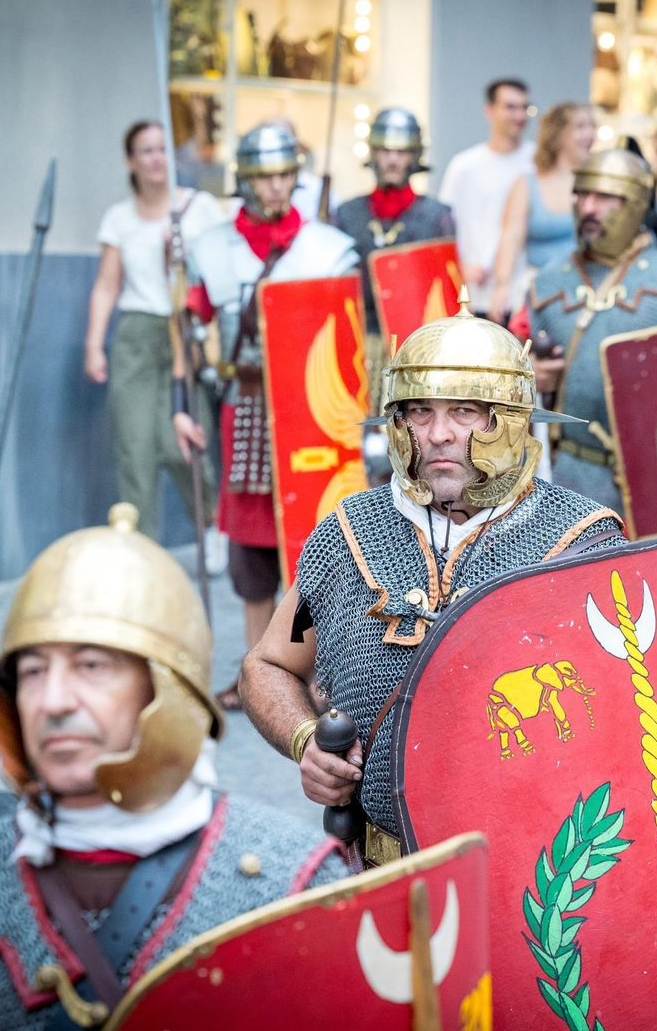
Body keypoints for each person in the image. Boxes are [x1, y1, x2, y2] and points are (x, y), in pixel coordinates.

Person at [0, 506, 347, 1029]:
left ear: (167, 689)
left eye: (91, 667)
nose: (54, 700)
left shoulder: (291, 884)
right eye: (34, 671)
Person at [237, 303, 626, 866]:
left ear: (512, 416)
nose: (439, 434)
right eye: (419, 411)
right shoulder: (347, 535)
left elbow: (626, 723)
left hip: (540, 879)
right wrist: (306, 743)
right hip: (382, 870)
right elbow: (267, 665)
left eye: (465, 411)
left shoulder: (583, 543)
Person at [179, 122, 357, 709]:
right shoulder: (211, 248)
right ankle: (257, 670)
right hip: (246, 407)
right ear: (246, 181)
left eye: (286, 174)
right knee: (251, 548)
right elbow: (188, 327)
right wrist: (187, 405)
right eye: (266, 176)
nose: (278, 186)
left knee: (315, 540)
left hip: (310, 413)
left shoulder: (327, 249)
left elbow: (350, 340)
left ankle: (311, 669)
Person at [512, 149, 657, 509]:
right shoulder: (545, 285)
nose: (588, 207)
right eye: (582, 195)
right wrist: (527, 378)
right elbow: (503, 377)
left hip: (655, 478)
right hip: (570, 471)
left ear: (635, 204)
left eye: (604, 197)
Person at [87, 120, 226, 541]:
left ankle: (214, 525)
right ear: (131, 161)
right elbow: (107, 283)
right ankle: (139, 548)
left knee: (183, 446)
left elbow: (220, 271)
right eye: (146, 150)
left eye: (163, 149)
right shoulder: (119, 218)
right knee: (136, 450)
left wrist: (182, 257)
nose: (156, 159)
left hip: (186, 334)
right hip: (136, 336)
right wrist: (94, 345)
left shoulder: (198, 208)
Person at [333, 107, 455, 327]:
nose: (392, 159)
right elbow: (336, 290)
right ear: (373, 153)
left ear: (415, 155)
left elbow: (446, 289)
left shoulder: (438, 216)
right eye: (385, 151)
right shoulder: (346, 214)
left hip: (417, 334)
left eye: (402, 152)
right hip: (358, 331)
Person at [487, 101, 595, 322]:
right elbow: (510, 237)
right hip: (540, 290)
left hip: (588, 288)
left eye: (592, 127)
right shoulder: (527, 183)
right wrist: (501, 287)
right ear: (559, 134)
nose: (590, 134)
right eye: (581, 126)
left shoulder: (593, 184)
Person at [436, 78, 533, 306]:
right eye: (510, 107)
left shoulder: (536, 163)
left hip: (520, 296)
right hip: (472, 296)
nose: (519, 116)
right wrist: (460, 265)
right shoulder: (464, 165)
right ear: (489, 110)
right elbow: (444, 226)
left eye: (524, 107)